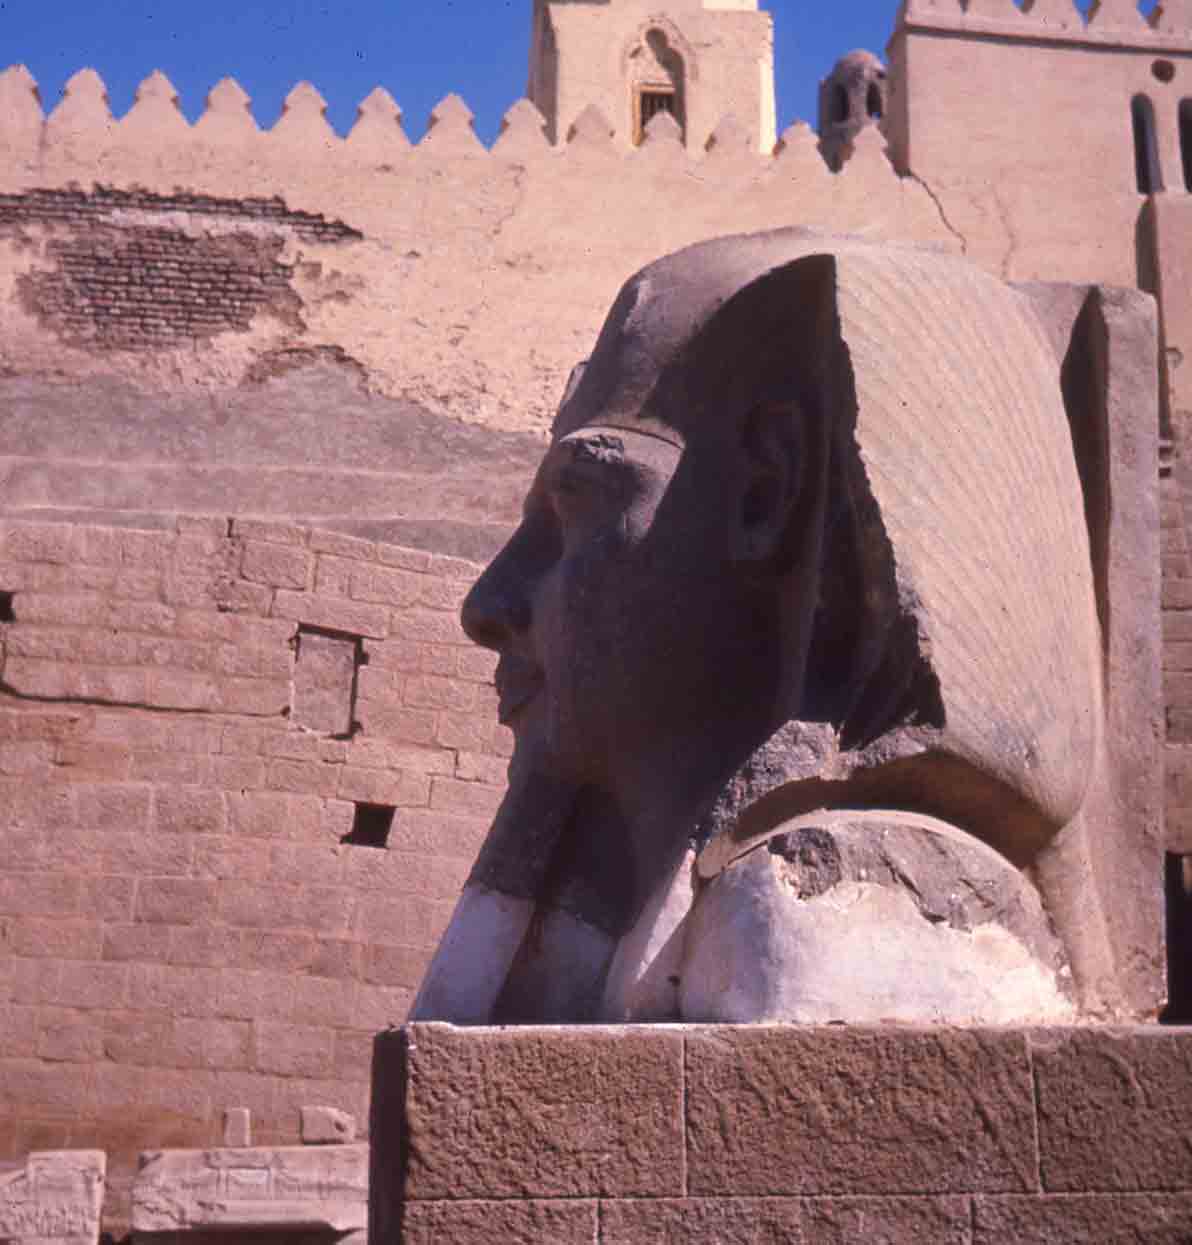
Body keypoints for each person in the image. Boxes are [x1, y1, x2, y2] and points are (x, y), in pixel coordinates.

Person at [412, 230, 1103, 1025]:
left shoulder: (821, 923)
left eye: (576, 504)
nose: (487, 604)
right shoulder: (695, 924)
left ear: (766, 495)